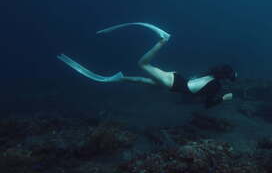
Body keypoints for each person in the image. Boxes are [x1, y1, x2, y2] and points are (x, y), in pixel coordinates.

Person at [58, 22, 236, 108]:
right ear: (225, 78)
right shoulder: (216, 85)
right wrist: (224, 98)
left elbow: (195, 85)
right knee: (142, 64)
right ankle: (163, 40)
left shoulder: (211, 76)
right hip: (173, 83)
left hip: (175, 82)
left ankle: (119, 78)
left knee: (141, 81)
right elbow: (207, 104)